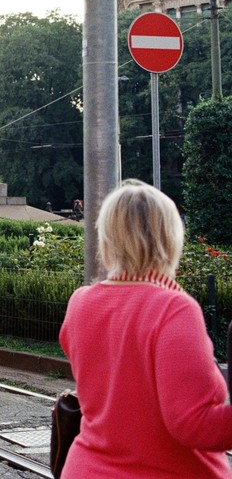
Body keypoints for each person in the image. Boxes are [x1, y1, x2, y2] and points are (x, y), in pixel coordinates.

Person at [59, 179, 232, 478]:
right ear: (169, 236)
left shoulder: (80, 303)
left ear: (108, 238)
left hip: (86, 469)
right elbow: (192, 425)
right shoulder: (175, 309)